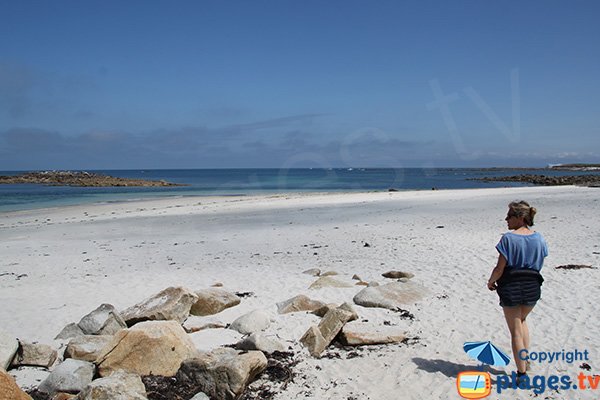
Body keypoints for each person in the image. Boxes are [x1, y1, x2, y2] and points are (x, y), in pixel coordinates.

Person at [487, 201, 548, 380]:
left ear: (520, 218)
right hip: (533, 287)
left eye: (509, 216)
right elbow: (539, 264)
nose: (506, 219)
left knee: (515, 331)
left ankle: (521, 373)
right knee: (522, 321)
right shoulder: (539, 238)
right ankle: (525, 360)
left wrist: (491, 282)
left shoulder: (508, 238)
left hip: (511, 287)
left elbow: (499, 269)